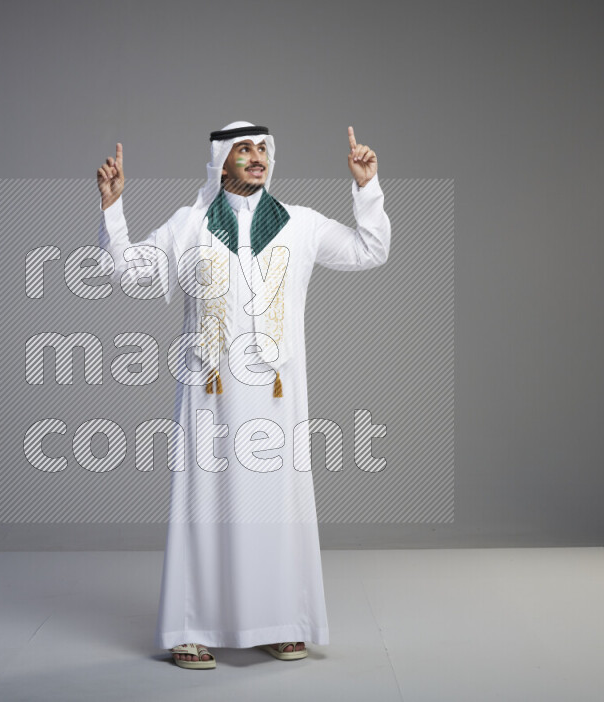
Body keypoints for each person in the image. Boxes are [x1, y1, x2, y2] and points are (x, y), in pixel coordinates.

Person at [96, 121, 391, 669]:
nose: (256, 157)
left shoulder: (299, 225)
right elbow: (130, 273)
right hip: (210, 394)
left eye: (262, 149)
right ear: (220, 162)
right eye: (243, 150)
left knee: (275, 509)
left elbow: (371, 249)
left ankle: (278, 623)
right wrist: (114, 210)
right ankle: (192, 628)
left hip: (277, 397)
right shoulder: (189, 225)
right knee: (204, 509)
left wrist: (366, 188)